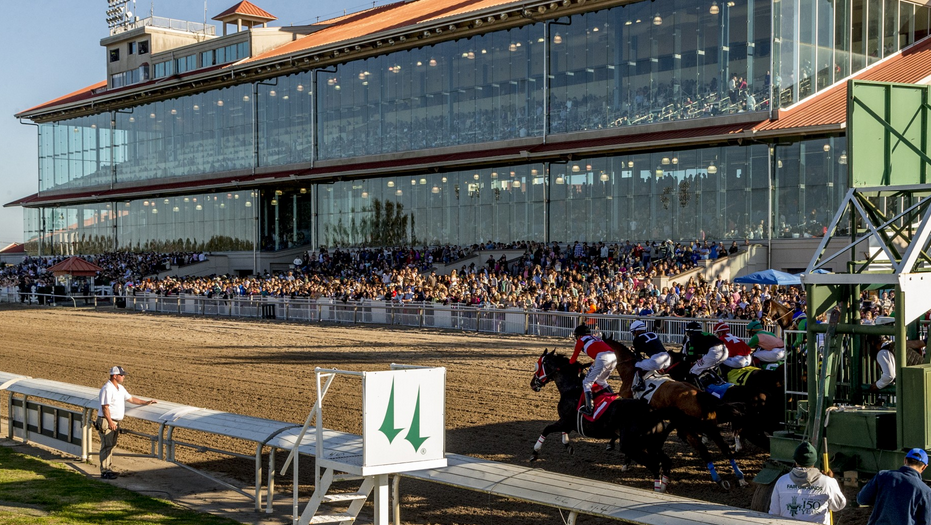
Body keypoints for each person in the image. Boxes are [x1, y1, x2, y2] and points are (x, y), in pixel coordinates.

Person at [97, 365, 157, 479]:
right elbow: (105, 407)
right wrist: (110, 422)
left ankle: (108, 469)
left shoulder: (120, 388)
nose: (123, 377)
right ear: (115, 376)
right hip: (107, 421)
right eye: (121, 375)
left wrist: (146, 402)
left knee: (111, 445)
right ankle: (104, 471)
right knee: (107, 445)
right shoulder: (107, 389)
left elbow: (131, 399)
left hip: (113, 421)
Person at [769, 441, 846, 523]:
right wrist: (832, 482)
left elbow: (774, 512)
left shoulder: (782, 481)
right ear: (814, 461)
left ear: (796, 461)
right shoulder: (827, 482)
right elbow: (838, 506)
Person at [857, 448, 931, 525]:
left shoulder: (882, 475)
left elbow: (861, 499)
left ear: (905, 460)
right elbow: (926, 522)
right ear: (924, 467)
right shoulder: (925, 491)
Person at [569, 324, 617, 415]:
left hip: (602, 358)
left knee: (587, 382)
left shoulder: (580, 340)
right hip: (613, 356)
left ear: (579, 335)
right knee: (601, 380)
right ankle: (615, 400)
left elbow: (573, 360)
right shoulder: (596, 337)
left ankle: (589, 408)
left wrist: (570, 364)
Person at [630, 320, 671, 392]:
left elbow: (638, 357)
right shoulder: (652, 333)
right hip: (667, 357)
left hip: (657, 360)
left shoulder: (637, 339)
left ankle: (640, 384)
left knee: (637, 364)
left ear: (636, 331)